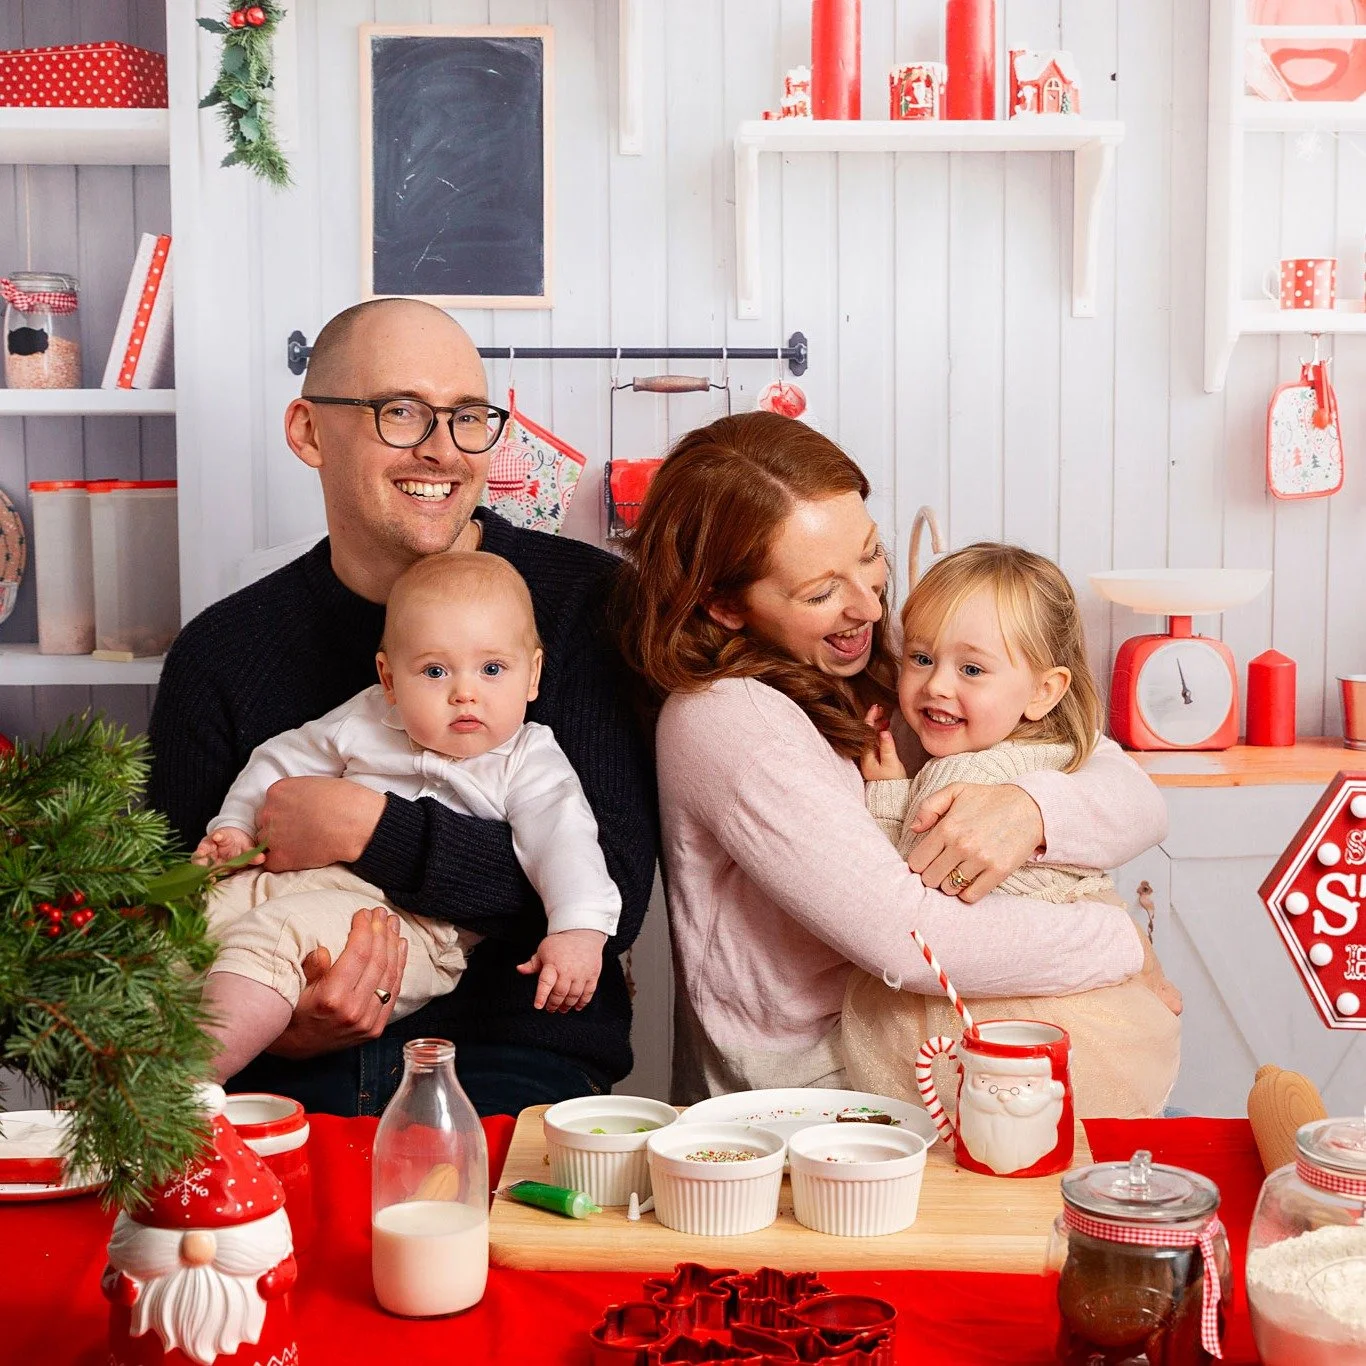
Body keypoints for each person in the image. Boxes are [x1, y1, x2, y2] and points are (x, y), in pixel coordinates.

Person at [148, 297, 658, 1117]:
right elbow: (169, 903)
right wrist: (292, 1028)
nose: (442, 449)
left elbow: (613, 896)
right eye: (401, 412)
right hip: (271, 1074)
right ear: (310, 431)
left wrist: (367, 828)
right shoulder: (223, 652)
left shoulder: (583, 607)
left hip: (511, 1063)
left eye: (467, 417)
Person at [615, 411, 1172, 1103]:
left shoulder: (882, 672)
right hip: (815, 1102)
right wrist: (1116, 943)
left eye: (870, 555)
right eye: (821, 592)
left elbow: (1135, 794)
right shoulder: (727, 718)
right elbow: (912, 942)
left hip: (937, 1053)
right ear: (725, 606)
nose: (871, 607)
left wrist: (1033, 808)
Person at [195, 551, 621, 1084]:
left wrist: (579, 930)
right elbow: (279, 761)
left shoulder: (528, 761)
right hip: (294, 881)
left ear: (532, 674)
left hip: (406, 928)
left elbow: (566, 842)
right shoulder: (367, 717)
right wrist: (232, 827)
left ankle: (180, 1090)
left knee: (275, 938)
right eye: (435, 670)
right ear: (390, 678)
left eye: (492, 669)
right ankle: (115, 1083)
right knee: (192, 919)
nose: (465, 692)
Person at [842, 542, 1180, 1118]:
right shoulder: (1061, 753)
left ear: (1044, 691)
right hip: (1094, 1013)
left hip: (1002, 1011)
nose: (937, 686)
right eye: (921, 658)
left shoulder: (959, 775)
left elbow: (908, 881)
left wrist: (887, 794)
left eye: (971, 669)